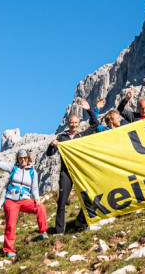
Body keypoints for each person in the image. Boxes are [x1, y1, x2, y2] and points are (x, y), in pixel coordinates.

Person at [0, 138, 47, 256]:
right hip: (11, 201)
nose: (23, 160)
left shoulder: (33, 172)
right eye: (20, 158)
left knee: (41, 207)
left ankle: (43, 231)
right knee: (11, 225)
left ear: (28, 159)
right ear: (18, 159)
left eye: (25, 158)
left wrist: (37, 199)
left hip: (25, 200)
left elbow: (34, 188)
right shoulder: (13, 168)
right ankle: (8, 250)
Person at [46, 99, 90, 234]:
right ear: (68, 123)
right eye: (72, 123)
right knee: (62, 202)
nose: (74, 125)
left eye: (76, 123)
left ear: (79, 124)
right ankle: (59, 231)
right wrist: (52, 145)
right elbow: (49, 154)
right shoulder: (62, 137)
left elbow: (95, 124)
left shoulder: (82, 135)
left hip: (79, 171)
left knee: (86, 197)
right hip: (65, 173)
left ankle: (85, 222)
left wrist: (89, 110)